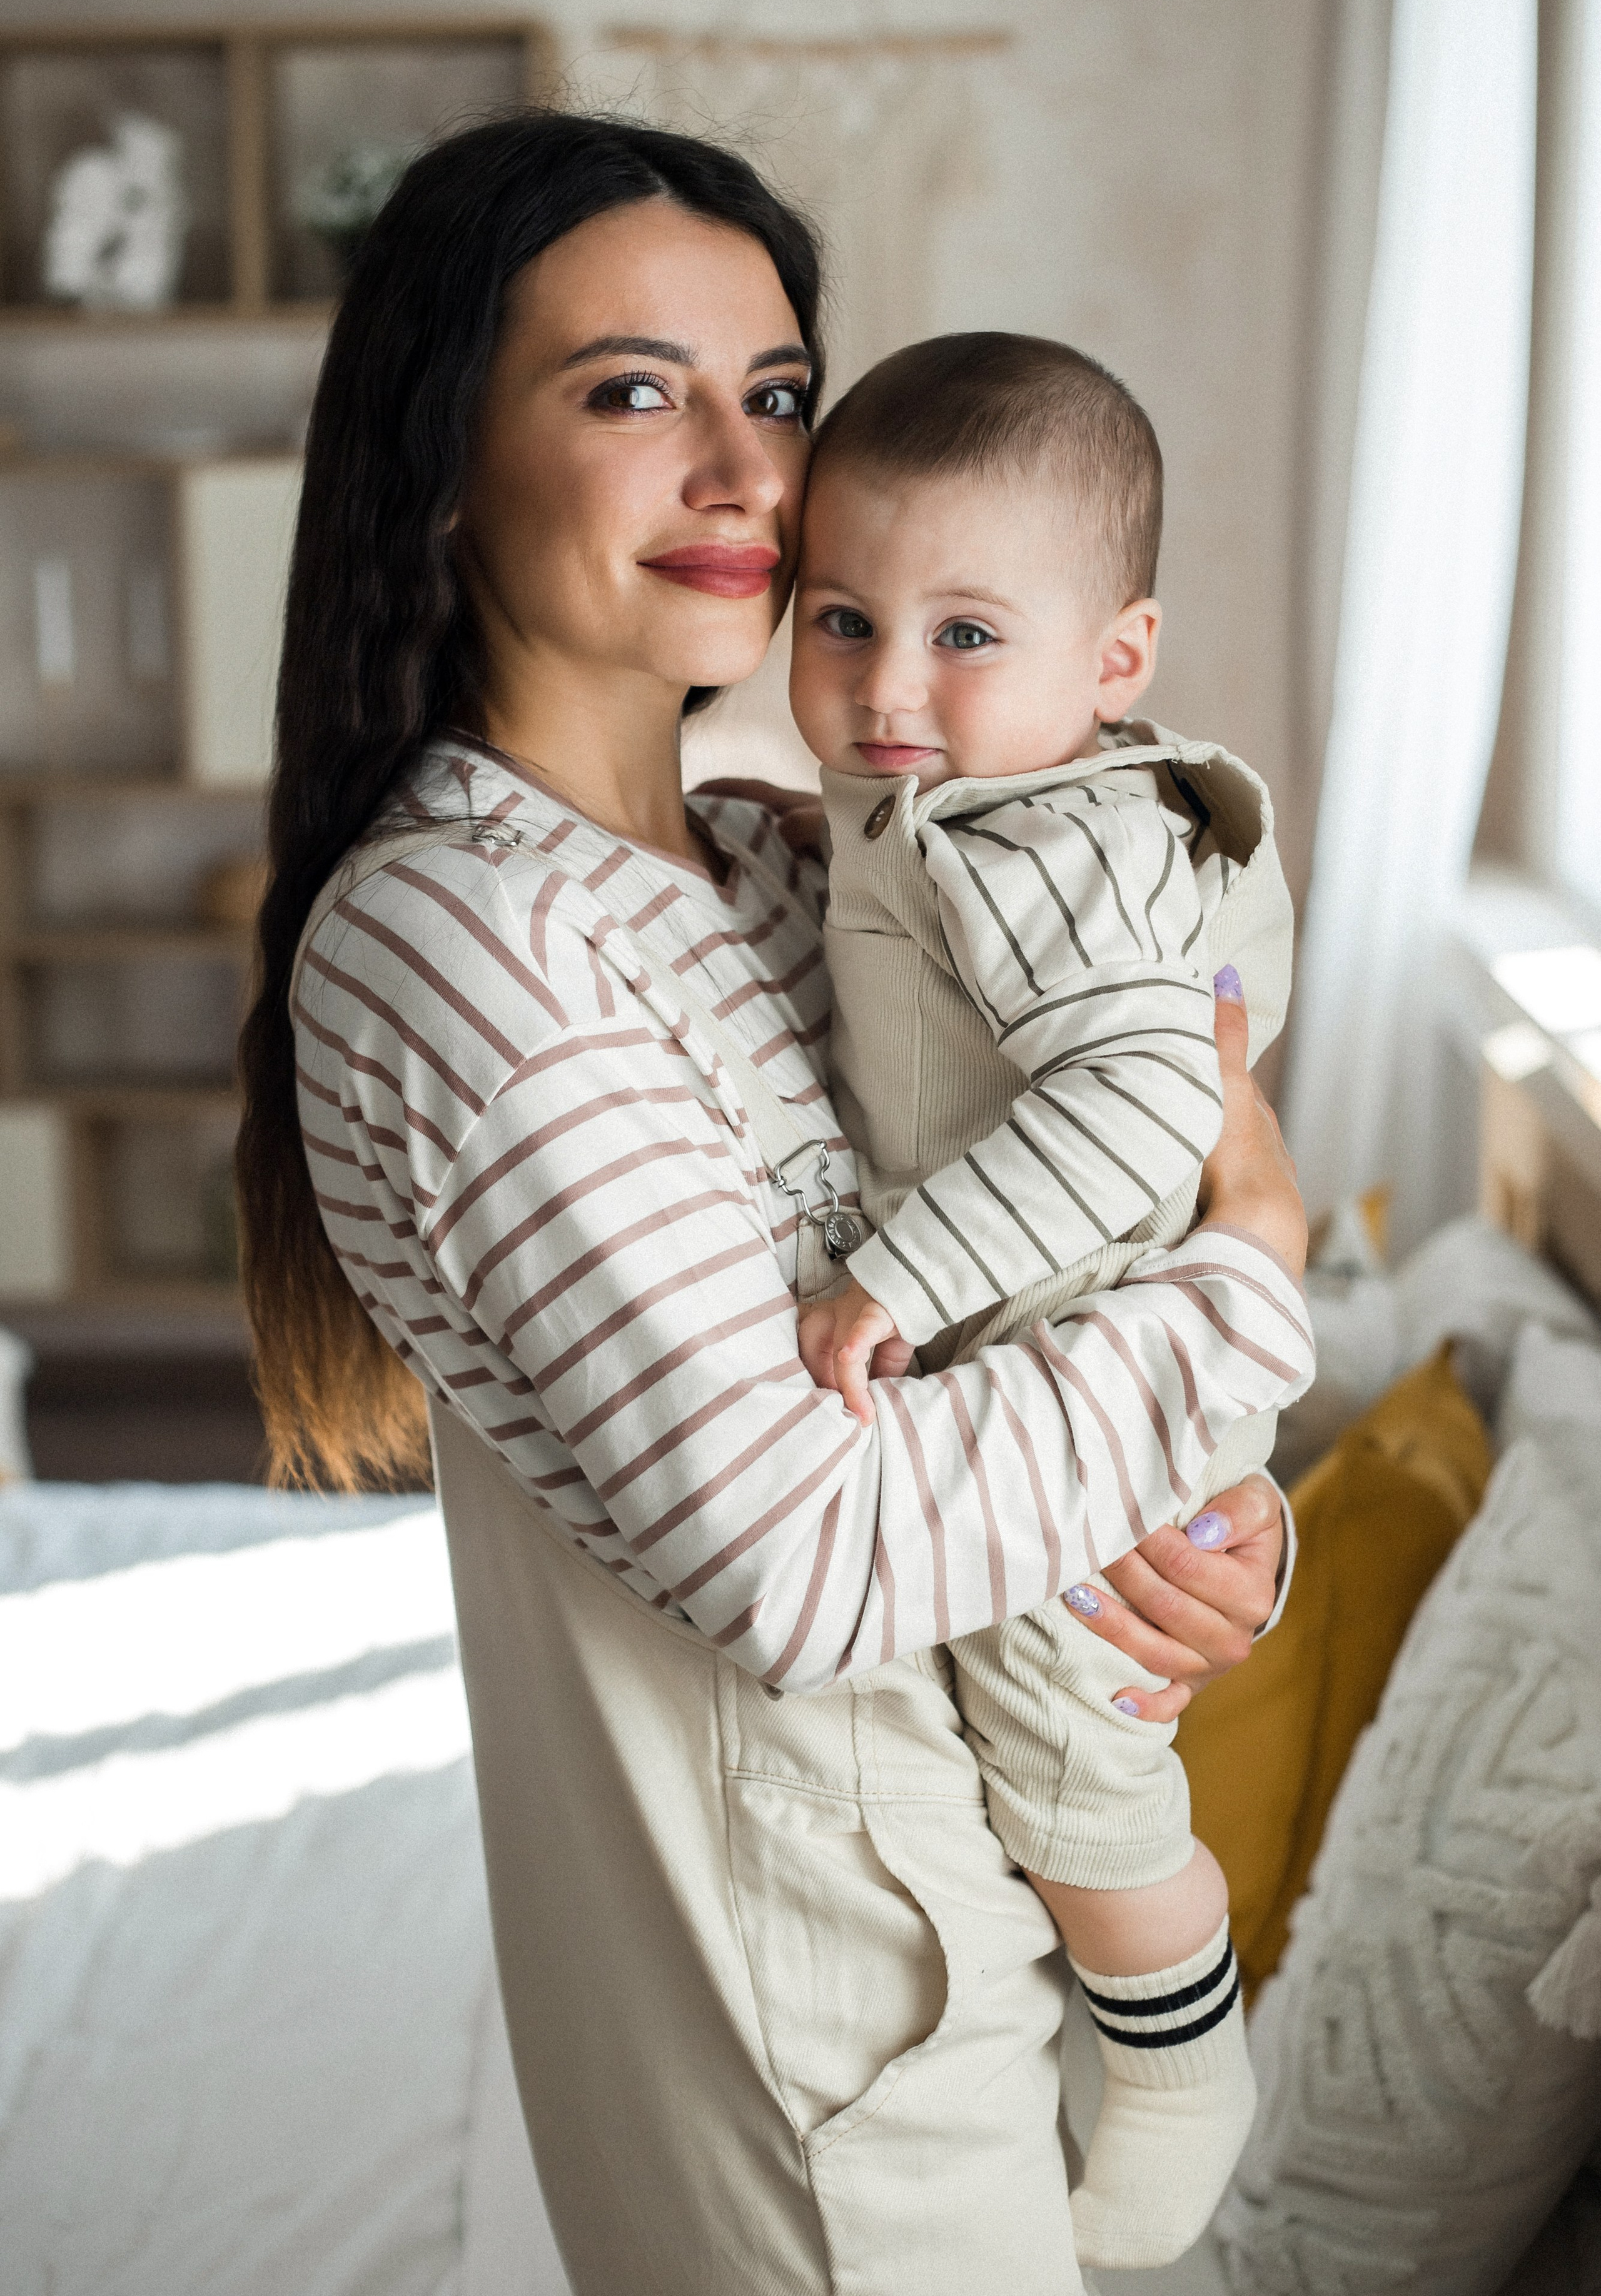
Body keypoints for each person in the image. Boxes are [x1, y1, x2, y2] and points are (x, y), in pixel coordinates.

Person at [236, 110, 1312, 2296]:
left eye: (780, 395)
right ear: (443, 462)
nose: (744, 470)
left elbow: (1026, 1326)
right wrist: (1253, 1295)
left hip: (950, 1924)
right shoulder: (461, 941)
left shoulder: (776, 871)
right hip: (811, 2032)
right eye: (634, 391)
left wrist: (1214, 1533)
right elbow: (805, 1552)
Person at [785, 330, 1296, 2270]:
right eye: (845, 618)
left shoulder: (1032, 842)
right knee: (1040, 1739)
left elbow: (1160, 1093)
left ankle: (1181, 2061)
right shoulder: (964, 803)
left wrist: (903, 1270)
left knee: (1080, 1760)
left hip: (1100, 1367)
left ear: (1118, 659)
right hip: (1088, 1346)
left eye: (967, 634)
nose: (891, 688)